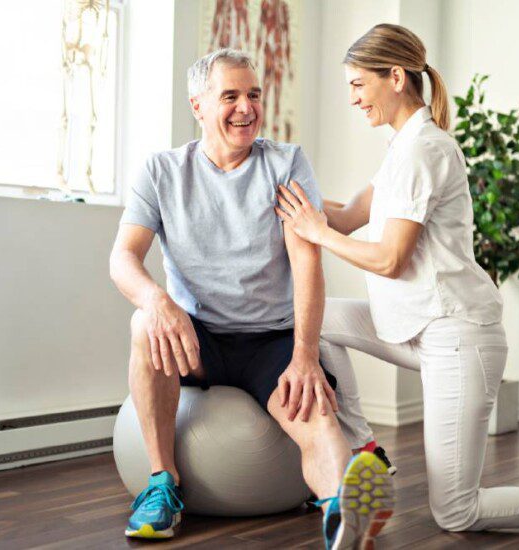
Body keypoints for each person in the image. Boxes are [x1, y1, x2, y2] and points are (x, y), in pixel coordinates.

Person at [275, 23, 519, 532]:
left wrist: (316, 232)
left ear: (395, 76)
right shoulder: (402, 147)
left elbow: (390, 259)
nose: (353, 98)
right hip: (416, 327)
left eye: (358, 84)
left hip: (458, 338)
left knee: (456, 512)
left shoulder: (427, 149)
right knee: (317, 321)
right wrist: (283, 195)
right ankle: (366, 449)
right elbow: (352, 214)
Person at [109, 48, 393, 548]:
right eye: (230, 96)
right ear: (198, 106)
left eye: (254, 95)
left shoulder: (285, 163)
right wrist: (156, 300)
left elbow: (308, 265)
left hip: (270, 341)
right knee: (143, 324)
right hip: (198, 337)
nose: (246, 107)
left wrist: (304, 356)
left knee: (318, 416)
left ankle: (342, 515)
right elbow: (123, 258)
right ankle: (161, 485)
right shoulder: (162, 172)